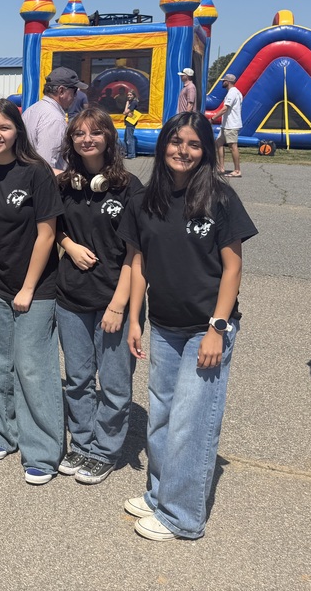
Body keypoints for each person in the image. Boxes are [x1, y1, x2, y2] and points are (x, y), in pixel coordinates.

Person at [119, 112, 257, 541]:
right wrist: (135, 320)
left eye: (194, 144)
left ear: (206, 151)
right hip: (163, 324)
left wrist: (217, 326)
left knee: (190, 422)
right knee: (160, 416)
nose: (183, 151)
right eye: (176, 142)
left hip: (205, 327)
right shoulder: (145, 200)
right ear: (163, 146)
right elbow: (138, 262)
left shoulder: (220, 198)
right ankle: (161, 492)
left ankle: (182, 516)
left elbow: (232, 267)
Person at [0, 98, 65, 484]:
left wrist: (28, 287)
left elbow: (47, 235)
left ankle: (42, 449)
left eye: (4, 128)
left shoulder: (35, 173)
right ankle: (0, 431)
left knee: (32, 366)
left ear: (17, 131)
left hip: (36, 287)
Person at [54, 108, 144, 486]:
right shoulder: (64, 185)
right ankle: (83, 442)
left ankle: (104, 451)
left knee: (114, 382)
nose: (87, 139)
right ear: (71, 140)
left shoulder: (129, 187)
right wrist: (70, 245)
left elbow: (137, 253)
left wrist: (119, 306)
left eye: (95, 132)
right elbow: (52, 227)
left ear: (109, 137)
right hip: (71, 297)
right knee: (76, 378)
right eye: (79, 134)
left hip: (113, 300)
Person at [21, 67, 86, 176]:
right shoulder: (54, 119)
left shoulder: (31, 110)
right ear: (61, 91)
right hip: (47, 185)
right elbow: (46, 164)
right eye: (74, 91)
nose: (76, 96)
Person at [210, 74, 243, 177]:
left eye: (223, 81)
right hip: (226, 124)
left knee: (233, 146)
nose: (222, 82)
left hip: (231, 124)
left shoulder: (232, 93)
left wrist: (213, 119)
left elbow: (225, 108)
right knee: (218, 143)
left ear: (227, 82)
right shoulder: (236, 92)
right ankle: (221, 167)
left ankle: (237, 170)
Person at [123, 90, 139, 159]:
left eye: (130, 95)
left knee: (129, 139)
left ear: (134, 95)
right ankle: (128, 153)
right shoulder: (132, 102)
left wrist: (126, 104)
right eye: (128, 95)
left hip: (131, 122)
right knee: (126, 138)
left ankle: (131, 154)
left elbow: (125, 112)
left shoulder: (134, 102)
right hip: (128, 122)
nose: (129, 96)